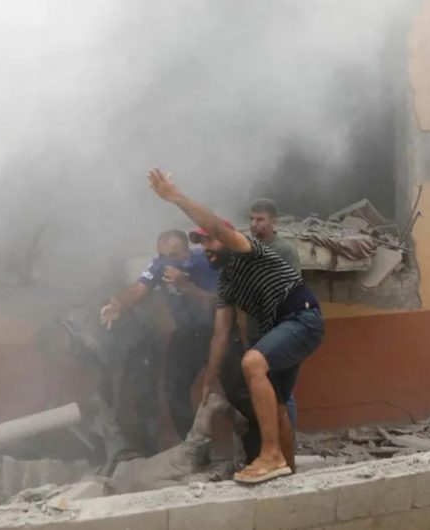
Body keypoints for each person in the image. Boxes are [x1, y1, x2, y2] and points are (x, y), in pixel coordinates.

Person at [147, 168, 325, 484]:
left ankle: (270, 455)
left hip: (302, 318)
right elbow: (220, 334)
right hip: (280, 332)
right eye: (202, 242)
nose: (207, 247)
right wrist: (209, 379)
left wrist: (176, 198)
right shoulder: (226, 286)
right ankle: (288, 473)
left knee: (251, 363)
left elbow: (216, 224)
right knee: (278, 406)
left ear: (228, 240)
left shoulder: (248, 250)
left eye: (211, 240)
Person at [100, 229, 220, 440]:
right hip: (187, 335)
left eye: (173, 256)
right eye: (162, 255)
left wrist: (185, 286)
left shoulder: (205, 262)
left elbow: (216, 302)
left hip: (219, 332)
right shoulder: (158, 266)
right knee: (174, 392)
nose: (167, 262)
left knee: (236, 389)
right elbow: (139, 288)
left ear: (187, 253)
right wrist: (119, 304)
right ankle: (194, 445)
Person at [246, 198, 301, 428]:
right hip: (255, 331)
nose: (254, 224)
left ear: (273, 222)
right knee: (262, 388)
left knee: (281, 393)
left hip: (278, 331)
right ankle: (270, 441)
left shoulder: (283, 250)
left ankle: (289, 442)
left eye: (260, 219)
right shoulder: (248, 248)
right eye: (251, 219)